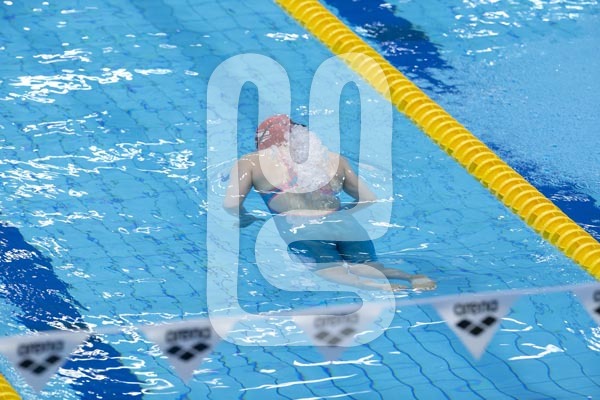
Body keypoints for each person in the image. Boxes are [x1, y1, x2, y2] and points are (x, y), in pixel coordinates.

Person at [223, 114, 436, 291]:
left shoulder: (250, 162)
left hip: (304, 230)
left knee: (330, 271)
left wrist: (244, 217)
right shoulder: (333, 158)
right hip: (344, 223)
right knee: (367, 266)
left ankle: (376, 287)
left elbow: (231, 205)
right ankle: (411, 277)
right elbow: (368, 198)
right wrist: (343, 213)